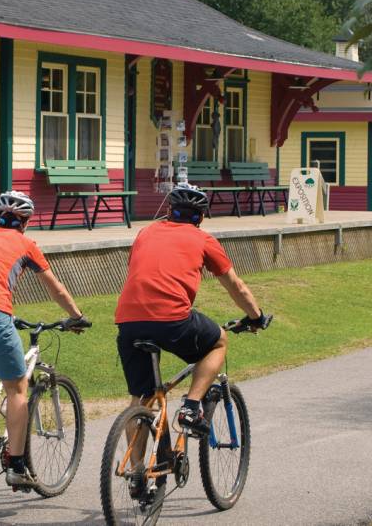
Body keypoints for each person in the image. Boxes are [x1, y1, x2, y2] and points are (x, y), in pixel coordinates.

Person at [0, 190, 87, 490]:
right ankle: (17, 466)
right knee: (17, 389)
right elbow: (56, 289)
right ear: (25, 222)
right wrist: (76, 315)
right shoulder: (26, 244)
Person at [114, 183, 267, 436]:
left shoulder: (145, 232)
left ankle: (136, 461)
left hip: (128, 321)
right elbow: (236, 286)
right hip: (172, 319)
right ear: (201, 217)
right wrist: (256, 316)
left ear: (169, 210)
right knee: (218, 341)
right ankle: (191, 407)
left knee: (142, 400)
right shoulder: (204, 239)